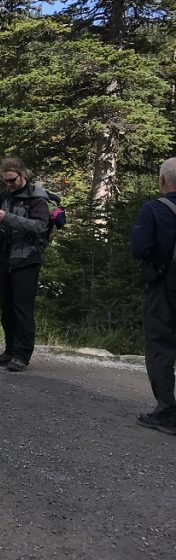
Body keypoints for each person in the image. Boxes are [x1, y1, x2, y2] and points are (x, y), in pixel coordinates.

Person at [0, 157, 51, 372]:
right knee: (7, 308)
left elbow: (39, 226)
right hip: (4, 258)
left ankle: (22, 355)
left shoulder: (37, 198)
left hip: (27, 259)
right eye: (5, 181)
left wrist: (7, 217)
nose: (9, 185)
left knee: (22, 309)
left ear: (23, 175)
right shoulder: (3, 196)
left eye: (12, 180)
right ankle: (9, 350)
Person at [130, 157, 176, 435]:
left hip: (163, 287)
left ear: (161, 181)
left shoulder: (154, 210)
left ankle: (167, 411)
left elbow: (139, 248)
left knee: (160, 346)